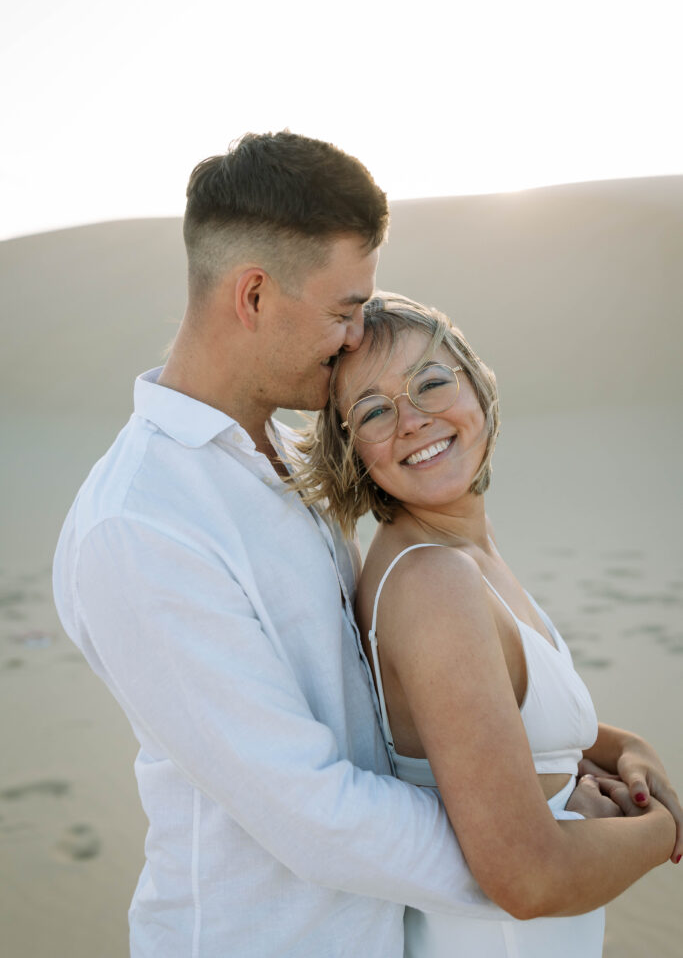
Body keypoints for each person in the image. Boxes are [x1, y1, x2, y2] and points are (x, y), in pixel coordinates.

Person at [52, 133, 677, 958]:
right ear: (252, 296)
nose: (355, 338)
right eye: (345, 310)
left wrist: (589, 754)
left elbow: (389, 700)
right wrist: (544, 839)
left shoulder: (278, 460)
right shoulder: (139, 525)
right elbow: (311, 811)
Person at [295, 290, 682, 956]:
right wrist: (665, 831)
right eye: (374, 411)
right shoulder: (431, 582)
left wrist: (620, 748)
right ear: (351, 449)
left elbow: (494, 721)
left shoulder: (462, 554)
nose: (412, 419)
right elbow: (526, 880)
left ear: (476, 385)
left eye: (431, 382)